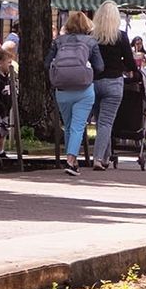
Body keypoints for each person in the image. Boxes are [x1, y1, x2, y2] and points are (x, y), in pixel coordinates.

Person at [46, 10, 103, 177]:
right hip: (84, 89)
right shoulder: (91, 42)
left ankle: (73, 161)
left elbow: (46, 63)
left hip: (62, 89)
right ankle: (71, 160)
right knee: (78, 126)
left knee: (69, 126)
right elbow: (100, 67)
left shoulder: (58, 42)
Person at [89, 0, 138, 172]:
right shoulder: (121, 36)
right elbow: (131, 62)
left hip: (94, 82)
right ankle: (98, 158)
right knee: (106, 123)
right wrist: (128, 68)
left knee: (100, 121)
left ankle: (105, 157)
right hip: (114, 82)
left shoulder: (92, 36)